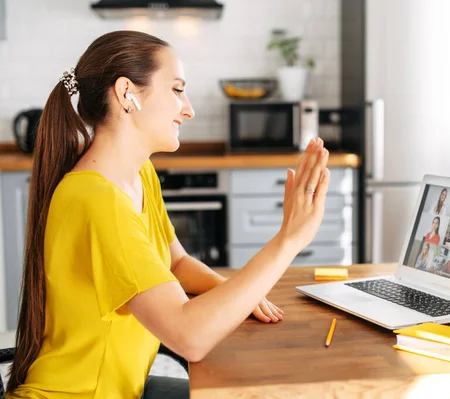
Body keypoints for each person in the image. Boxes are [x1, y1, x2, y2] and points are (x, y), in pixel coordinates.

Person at [4, 31, 331, 399]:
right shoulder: (96, 200)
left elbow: (174, 263)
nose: (188, 108)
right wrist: (289, 240)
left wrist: (233, 294)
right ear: (128, 94)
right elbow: (189, 337)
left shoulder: (138, 173)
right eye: (177, 90)